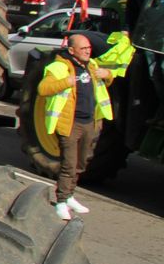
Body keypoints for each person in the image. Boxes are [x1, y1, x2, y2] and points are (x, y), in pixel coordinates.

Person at [35, 32, 112, 220]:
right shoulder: (59, 67)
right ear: (72, 50)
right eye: (83, 48)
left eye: (89, 48)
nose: (87, 51)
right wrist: (65, 82)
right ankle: (61, 201)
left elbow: (104, 83)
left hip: (89, 122)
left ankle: (69, 195)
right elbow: (43, 89)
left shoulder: (92, 65)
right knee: (68, 164)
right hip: (70, 124)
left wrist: (107, 75)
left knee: (81, 163)